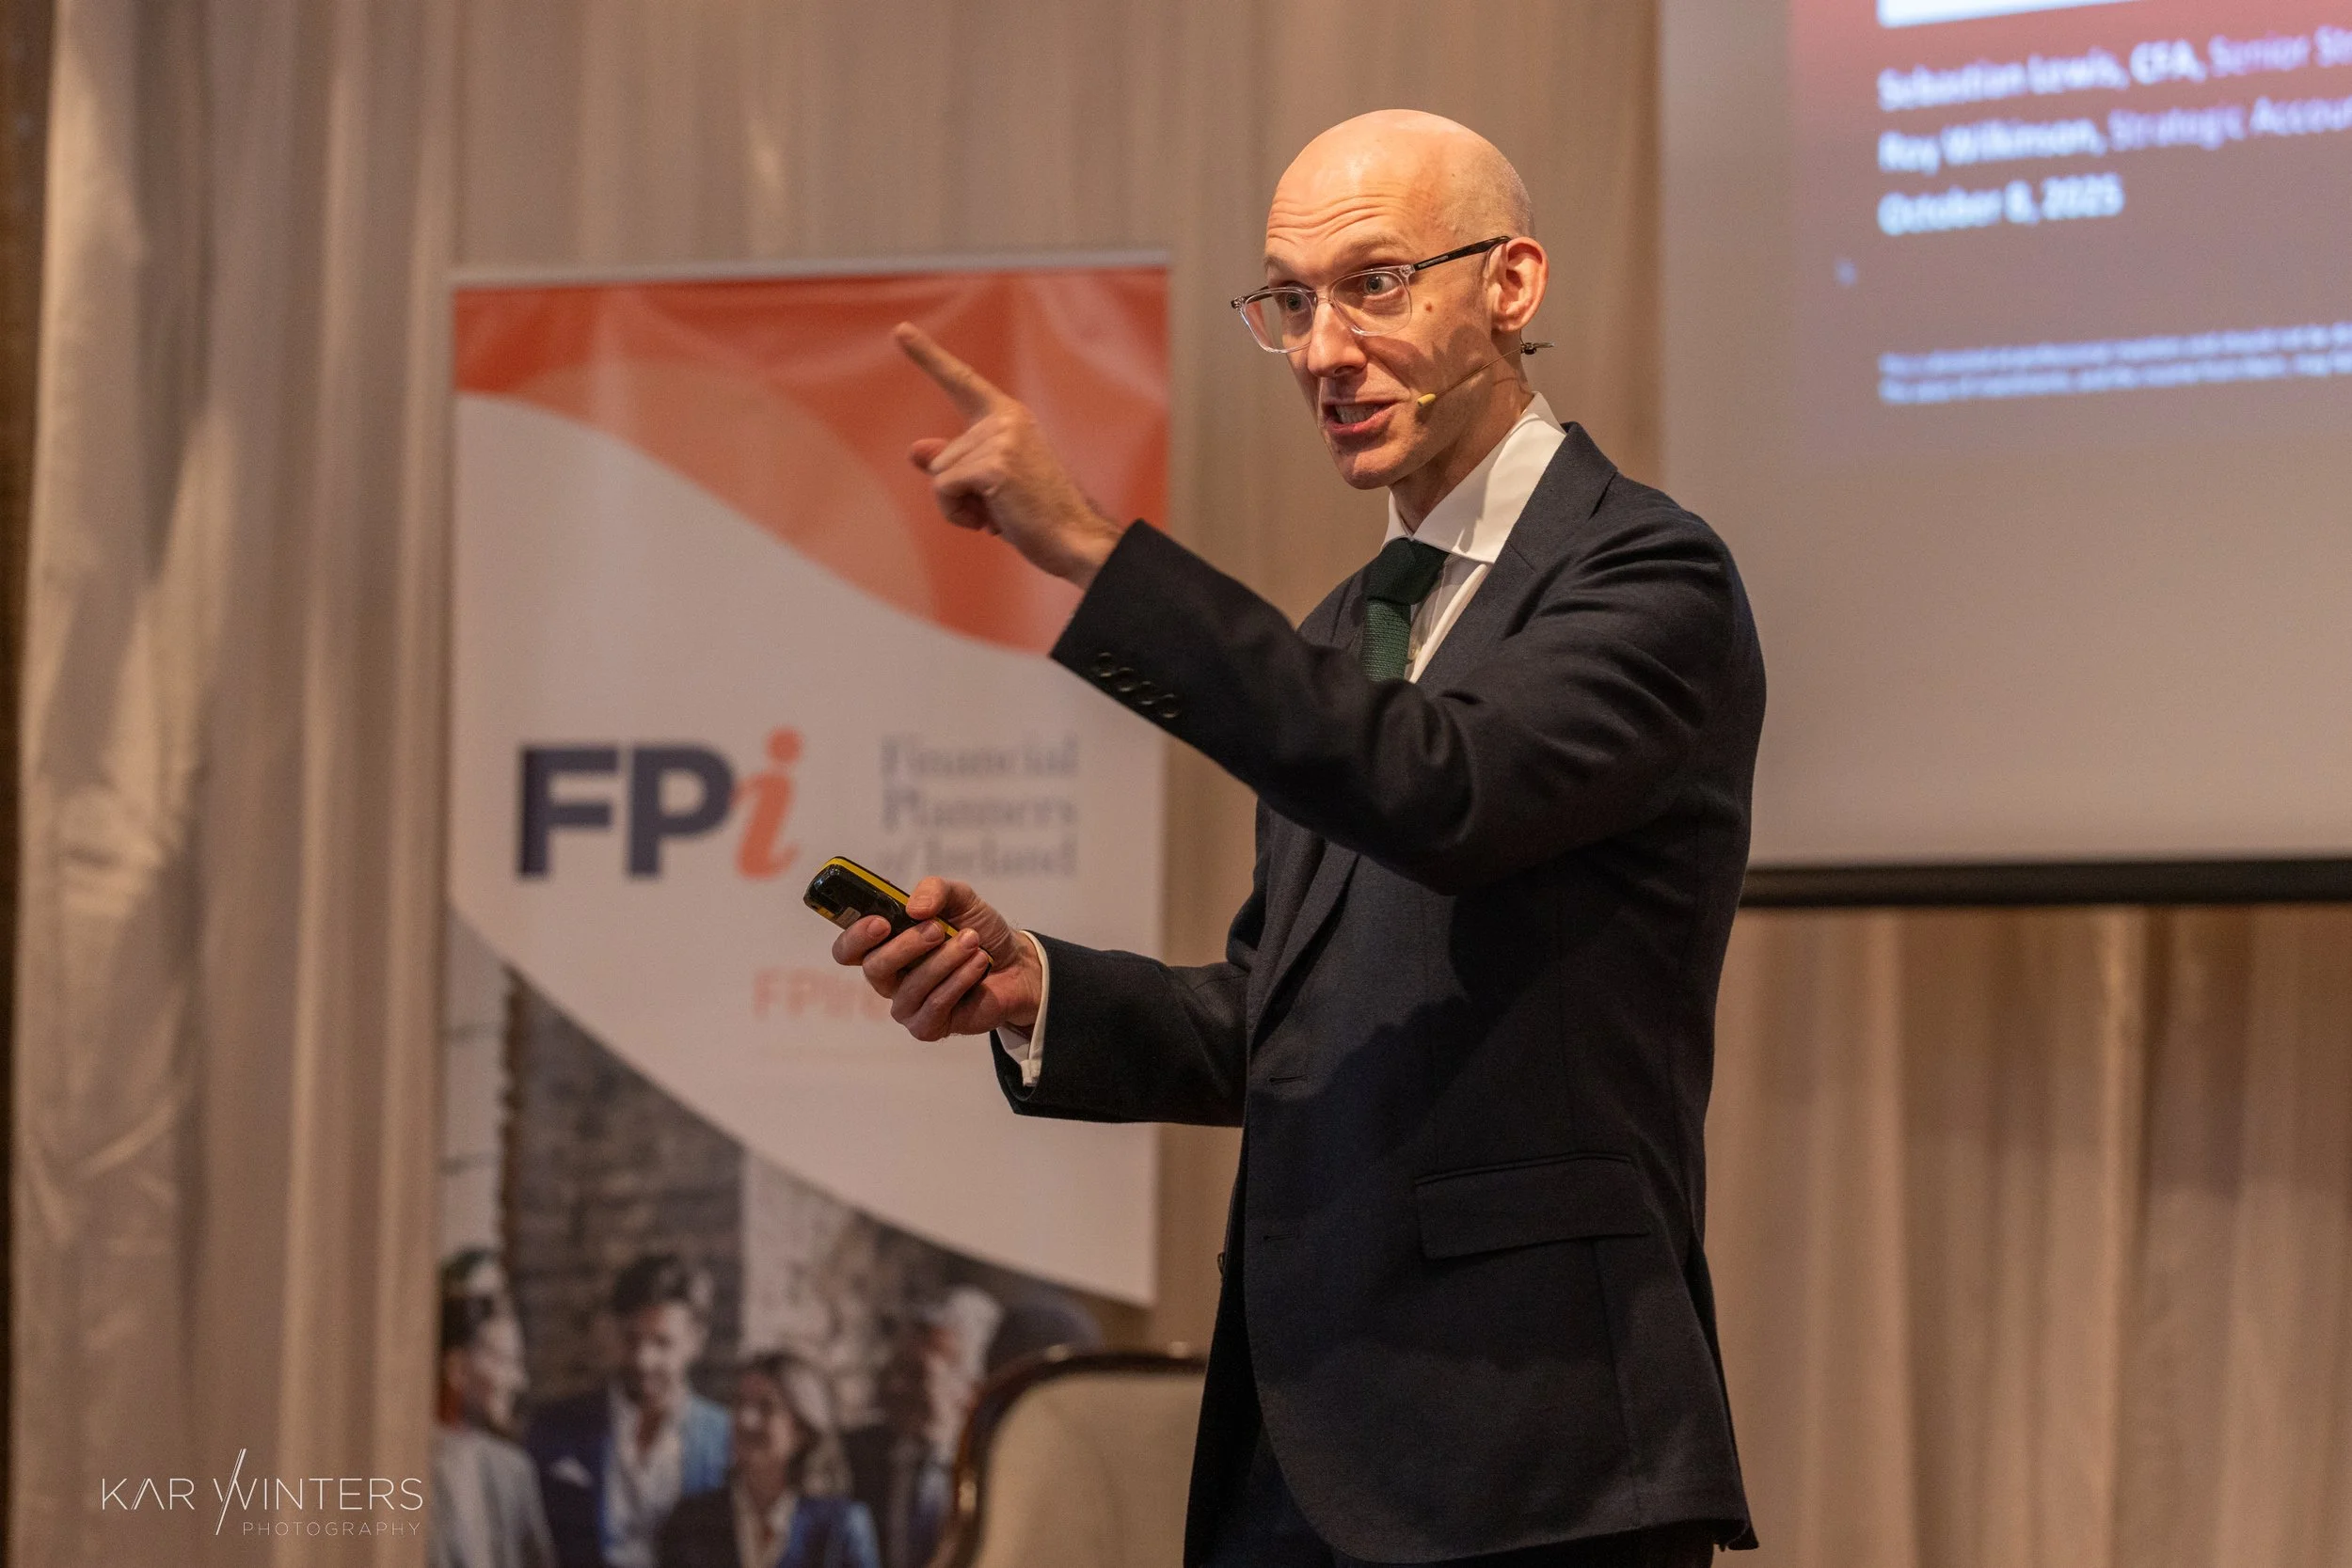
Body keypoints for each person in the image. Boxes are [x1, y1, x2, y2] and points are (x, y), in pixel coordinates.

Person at [831, 110, 1762, 1567]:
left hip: (1532, 1448)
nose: (1324, 351)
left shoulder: (1646, 572)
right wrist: (1041, 988)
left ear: (1511, 285)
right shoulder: (1355, 624)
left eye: (1374, 283)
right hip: (1302, 1446)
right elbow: (1278, 1016)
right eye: (1290, 302)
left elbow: (1442, 793)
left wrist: (1090, 548)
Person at [528, 1254, 734, 1568]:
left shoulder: (726, 1439)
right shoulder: (558, 1426)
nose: (642, 1360)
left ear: (696, 1342)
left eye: (662, 1343)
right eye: (631, 1339)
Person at [656, 1352, 881, 1568]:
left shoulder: (840, 1527)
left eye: (766, 1408)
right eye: (739, 1404)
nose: (746, 1420)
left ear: (802, 1428)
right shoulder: (692, 1522)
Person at [838, 1288, 999, 1568]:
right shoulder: (849, 1455)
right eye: (892, 1370)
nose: (894, 1387)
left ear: (968, 1391)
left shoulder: (993, 1473)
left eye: (916, 1374)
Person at [434, 1292, 559, 1568]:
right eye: (504, 1360)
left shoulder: (514, 1471)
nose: (518, 1381)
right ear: (456, 1367)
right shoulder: (405, 1467)